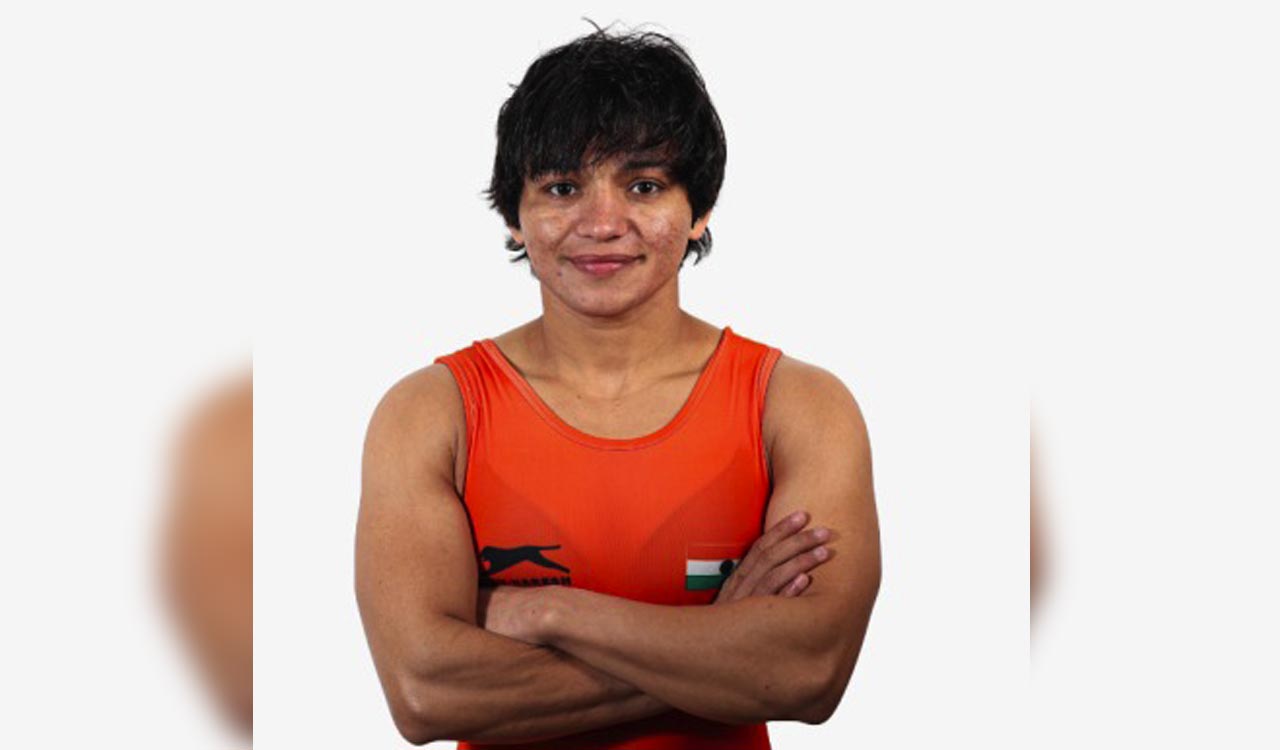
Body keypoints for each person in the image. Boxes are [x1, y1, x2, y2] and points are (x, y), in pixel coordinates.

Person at [355, 26, 880, 749]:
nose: (603, 224)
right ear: (514, 216)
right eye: (563, 188)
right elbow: (425, 695)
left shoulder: (797, 407)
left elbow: (808, 672)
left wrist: (549, 613)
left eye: (644, 186)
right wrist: (721, 642)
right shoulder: (431, 413)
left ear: (699, 210)